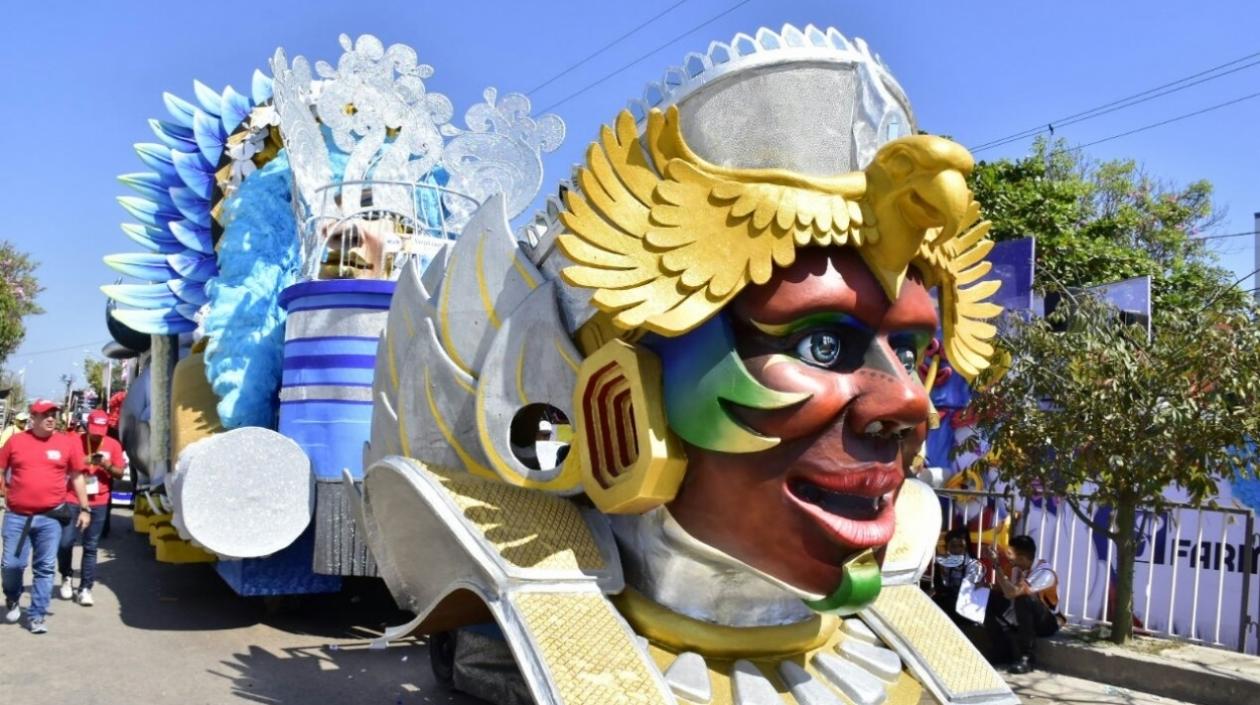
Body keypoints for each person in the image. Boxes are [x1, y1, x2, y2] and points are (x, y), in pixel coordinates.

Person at [1, 399, 90, 634]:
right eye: (45, 414)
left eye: (54, 414)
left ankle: (37, 615)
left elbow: (77, 476)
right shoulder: (16, 442)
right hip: (17, 517)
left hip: (51, 517)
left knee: (45, 567)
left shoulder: (66, 443)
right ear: (33, 418)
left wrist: (84, 508)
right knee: (12, 565)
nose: (51, 418)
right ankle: (12, 596)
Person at [57, 410, 124, 606]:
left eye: (101, 431)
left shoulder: (113, 445)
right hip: (72, 498)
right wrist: (85, 461)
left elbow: (119, 473)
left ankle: (85, 587)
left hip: (99, 500)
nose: (97, 435)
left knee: (91, 546)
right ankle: (66, 576)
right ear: (88, 425)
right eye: (94, 430)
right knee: (65, 542)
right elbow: (61, 467)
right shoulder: (73, 441)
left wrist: (106, 465)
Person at [983, 535, 1061, 673]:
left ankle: (1027, 659)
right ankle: (1002, 652)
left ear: (1023, 557)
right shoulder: (1015, 568)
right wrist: (982, 586)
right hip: (1020, 617)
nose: (1008, 557)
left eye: (1011, 554)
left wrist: (997, 566)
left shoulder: (1045, 573)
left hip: (1046, 623)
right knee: (989, 597)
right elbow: (1003, 588)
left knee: (1024, 598)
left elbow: (1013, 593)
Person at [933, 527, 986, 624]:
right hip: (953, 600)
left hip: (969, 604)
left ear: (965, 547)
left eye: (960, 546)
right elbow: (944, 585)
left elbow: (968, 589)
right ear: (947, 547)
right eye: (953, 546)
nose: (957, 550)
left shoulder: (974, 565)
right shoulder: (947, 563)